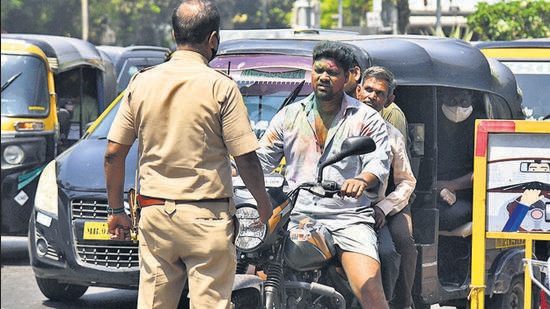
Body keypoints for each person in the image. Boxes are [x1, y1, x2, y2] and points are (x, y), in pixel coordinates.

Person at [104, 1, 273, 308]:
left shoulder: (142, 82)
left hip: (155, 216)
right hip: (207, 219)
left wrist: (116, 210)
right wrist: (264, 205)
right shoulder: (221, 87)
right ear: (213, 40)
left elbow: (114, 153)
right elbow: (246, 159)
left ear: (173, 34)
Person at [257, 40, 391, 309]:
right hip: (296, 217)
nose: (324, 78)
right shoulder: (289, 116)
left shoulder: (365, 118)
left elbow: (378, 162)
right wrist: (233, 168)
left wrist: (361, 180)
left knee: (370, 291)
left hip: (347, 219)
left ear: (348, 78)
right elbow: (261, 160)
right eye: (319, 71)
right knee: (252, 270)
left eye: (332, 73)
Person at [358, 66, 417, 309]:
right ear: (358, 90)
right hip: (330, 207)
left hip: (371, 210)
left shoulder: (392, 135)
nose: (371, 96)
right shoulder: (335, 124)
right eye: (368, 90)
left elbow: (407, 181)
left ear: (388, 100)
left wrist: (382, 208)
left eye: (379, 93)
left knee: (391, 253)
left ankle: (396, 302)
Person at [436, 87, 480, 231]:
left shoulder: (480, 125)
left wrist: (451, 185)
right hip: (434, 191)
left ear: (472, 100)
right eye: (452, 101)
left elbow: (484, 171)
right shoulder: (433, 120)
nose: (457, 107)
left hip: (466, 194)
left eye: (463, 101)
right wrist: (439, 188)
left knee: (448, 216)